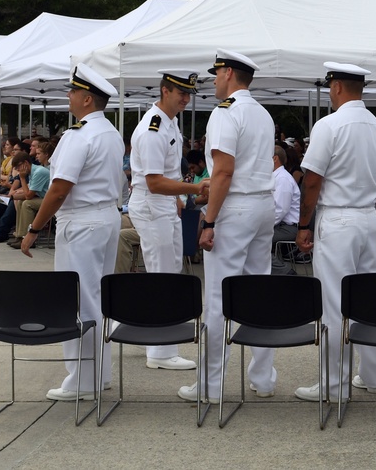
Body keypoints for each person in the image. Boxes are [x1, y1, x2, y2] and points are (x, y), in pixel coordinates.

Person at [20, 64, 126, 401]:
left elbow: (59, 189)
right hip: (104, 218)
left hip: (82, 222)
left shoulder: (78, 135)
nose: (68, 95)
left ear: (86, 98)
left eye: (72, 91)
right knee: (96, 298)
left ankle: (83, 380)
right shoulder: (110, 133)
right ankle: (99, 373)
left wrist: (35, 228)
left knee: (80, 300)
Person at [178, 50, 276, 403]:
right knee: (257, 291)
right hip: (263, 203)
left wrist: (210, 220)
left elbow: (222, 171)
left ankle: (211, 385)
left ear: (230, 74)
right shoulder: (262, 113)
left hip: (235, 207)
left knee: (220, 296)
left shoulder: (225, 113)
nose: (214, 80)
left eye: (217, 74)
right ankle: (263, 377)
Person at [294, 62, 376, 403]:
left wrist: (304, 224)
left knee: (335, 303)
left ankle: (335, 386)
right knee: (369, 300)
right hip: (368, 218)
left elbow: (313, 180)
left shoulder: (329, 125)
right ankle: (375, 375)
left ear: (336, 87)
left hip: (337, 219)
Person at [128, 70, 208, 372]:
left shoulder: (169, 124)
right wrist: (194, 188)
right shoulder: (154, 129)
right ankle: (160, 352)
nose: (186, 98)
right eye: (180, 93)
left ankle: (156, 339)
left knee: (168, 272)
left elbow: (166, 176)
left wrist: (177, 197)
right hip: (152, 206)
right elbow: (154, 182)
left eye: (189, 94)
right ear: (165, 91)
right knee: (163, 276)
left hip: (162, 205)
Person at [270, 145, 301, 274]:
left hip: (287, 227)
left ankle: (286, 273)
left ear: (275, 158)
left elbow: (280, 210)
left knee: (255, 241)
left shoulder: (282, 179)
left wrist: (262, 226)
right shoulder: (277, 177)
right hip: (280, 225)